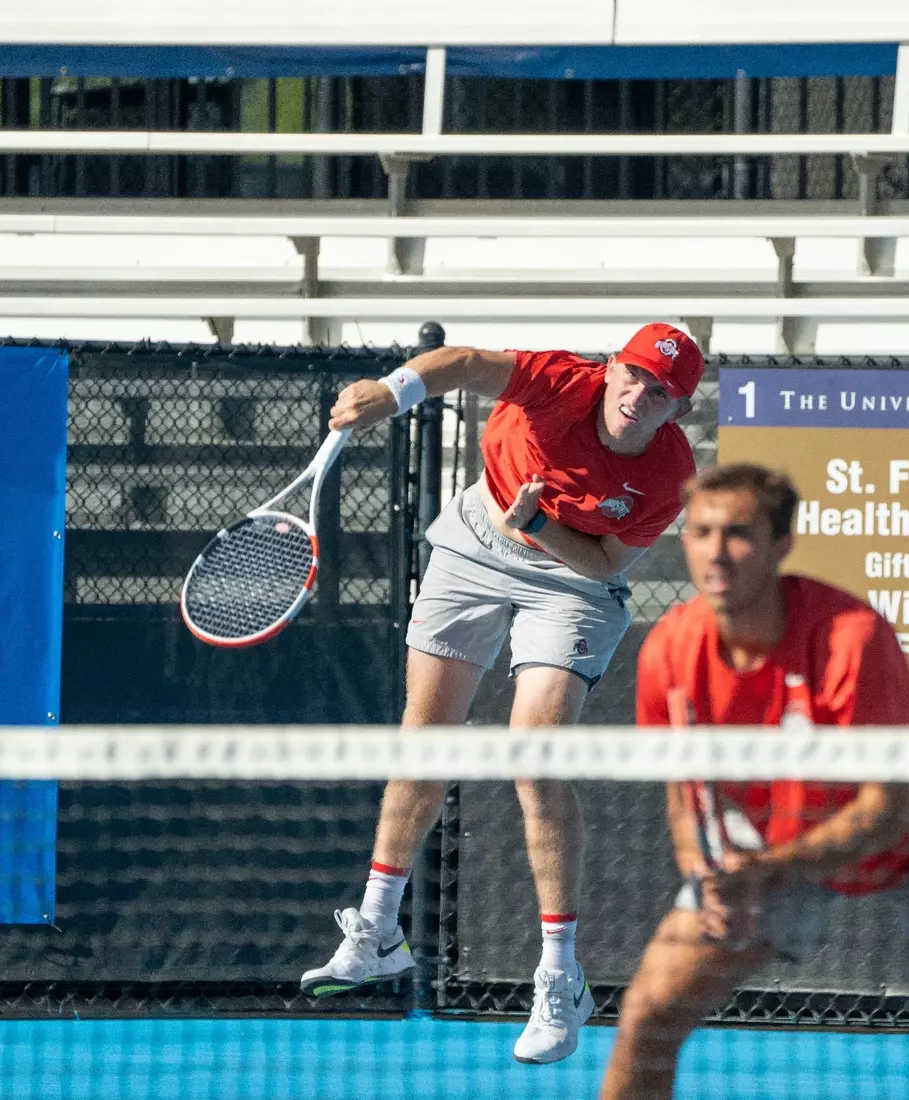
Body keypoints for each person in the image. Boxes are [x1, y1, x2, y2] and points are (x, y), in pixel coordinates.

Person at [300, 323, 703, 1065]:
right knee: (426, 739)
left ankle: (561, 978)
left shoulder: (667, 474)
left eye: (662, 392)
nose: (640, 396)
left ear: (677, 411)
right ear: (612, 368)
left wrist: (542, 525)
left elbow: (604, 560)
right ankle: (378, 929)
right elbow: (464, 363)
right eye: (635, 376)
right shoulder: (559, 380)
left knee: (534, 762)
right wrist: (390, 393)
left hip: (570, 581)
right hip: (475, 541)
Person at [602, 464, 909, 1100]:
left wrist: (765, 869)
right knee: (649, 1014)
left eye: (737, 534)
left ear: (781, 545)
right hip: (774, 839)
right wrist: (706, 875)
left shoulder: (852, 637)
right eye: (700, 531)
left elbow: (886, 810)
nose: (715, 552)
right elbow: (684, 792)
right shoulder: (669, 650)